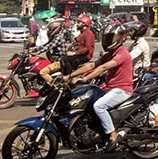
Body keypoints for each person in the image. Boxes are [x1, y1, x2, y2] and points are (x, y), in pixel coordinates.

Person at [67, 23, 133, 152]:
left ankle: (113, 135)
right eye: (107, 37)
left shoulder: (122, 54)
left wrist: (84, 78)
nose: (108, 41)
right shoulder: (110, 53)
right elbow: (92, 65)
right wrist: (69, 75)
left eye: (111, 38)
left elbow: (103, 67)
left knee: (99, 106)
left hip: (122, 90)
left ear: (120, 39)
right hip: (109, 88)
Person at [34, 18, 73, 85]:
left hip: (59, 61)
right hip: (55, 61)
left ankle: (55, 87)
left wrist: (38, 52)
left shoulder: (58, 38)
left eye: (50, 29)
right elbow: (45, 45)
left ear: (55, 29)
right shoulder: (54, 37)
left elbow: (48, 47)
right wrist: (33, 49)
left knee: (42, 72)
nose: (49, 31)